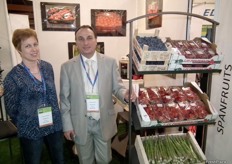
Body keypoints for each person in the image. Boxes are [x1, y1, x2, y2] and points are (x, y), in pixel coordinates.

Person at [60, 25, 136, 164]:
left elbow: (117, 88)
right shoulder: (67, 67)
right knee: (85, 160)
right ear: (76, 42)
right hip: (80, 122)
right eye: (80, 39)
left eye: (89, 38)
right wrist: (67, 125)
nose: (86, 43)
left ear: (96, 40)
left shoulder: (110, 62)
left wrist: (125, 94)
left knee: (105, 159)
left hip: (103, 120)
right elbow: (64, 99)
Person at [3, 28, 64, 164]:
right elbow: (11, 108)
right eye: (28, 46)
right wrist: (28, 118)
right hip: (30, 129)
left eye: (35, 44)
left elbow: (51, 94)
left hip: (53, 123)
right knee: (33, 161)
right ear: (19, 50)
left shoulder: (47, 67)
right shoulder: (12, 77)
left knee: (59, 159)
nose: (34, 49)